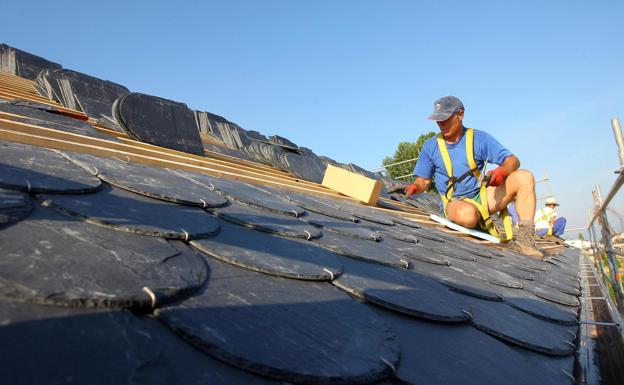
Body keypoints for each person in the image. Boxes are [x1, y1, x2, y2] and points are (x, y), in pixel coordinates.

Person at [404, 96, 543, 258]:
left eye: (445, 119)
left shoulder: (479, 138)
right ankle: (475, 220)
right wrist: (415, 187)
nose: (441, 124)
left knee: (524, 177)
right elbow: (423, 181)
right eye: (437, 120)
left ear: (460, 115)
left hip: (483, 198)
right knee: (467, 215)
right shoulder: (430, 147)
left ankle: (525, 240)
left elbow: (513, 161)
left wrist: (502, 171)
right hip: (455, 204)